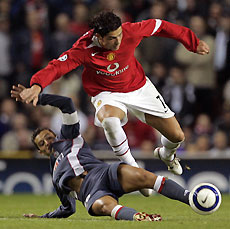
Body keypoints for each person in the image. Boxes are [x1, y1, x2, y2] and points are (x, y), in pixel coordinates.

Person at [18, 11, 210, 197]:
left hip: (139, 87)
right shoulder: (84, 48)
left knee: (177, 135)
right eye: (112, 38)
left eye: (119, 35)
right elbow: (57, 66)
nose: (118, 41)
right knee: (109, 120)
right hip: (106, 93)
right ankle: (134, 169)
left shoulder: (130, 31)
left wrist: (192, 43)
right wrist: (37, 85)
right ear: (99, 38)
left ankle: (167, 155)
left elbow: (161, 25)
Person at [11, 84, 193, 221]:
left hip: (104, 173)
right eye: (41, 143)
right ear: (41, 151)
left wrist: (38, 98)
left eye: (48, 137)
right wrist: (42, 218)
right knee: (105, 206)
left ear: (54, 134)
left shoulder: (68, 137)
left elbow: (66, 104)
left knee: (145, 177)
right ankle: (140, 217)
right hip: (90, 192)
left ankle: (192, 198)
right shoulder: (55, 175)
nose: (47, 142)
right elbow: (68, 209)